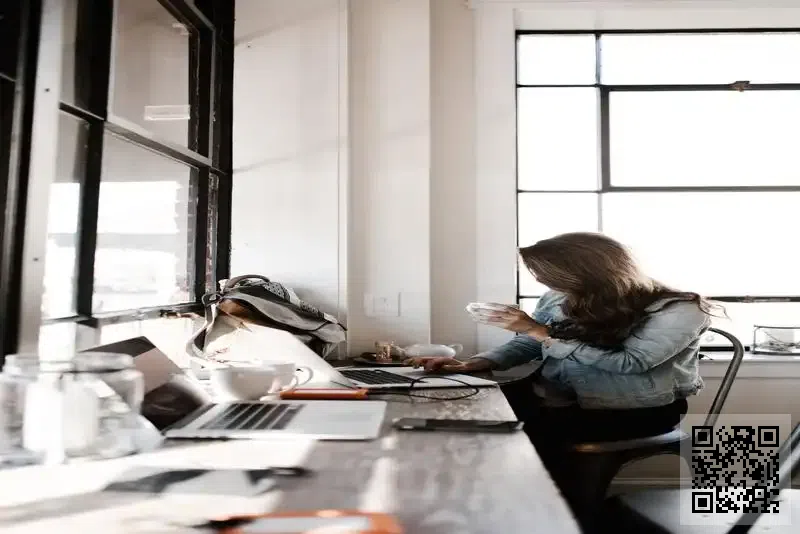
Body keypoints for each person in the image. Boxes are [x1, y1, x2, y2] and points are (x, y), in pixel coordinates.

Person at [405, 232, 716, 496]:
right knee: (459, 412)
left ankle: (555, 512)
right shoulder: (559, 297)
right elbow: (531, 342)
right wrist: (475, 363)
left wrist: (539, 331)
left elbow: (630, 363)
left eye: (547, 274)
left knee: (514, 441)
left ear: (586, 272)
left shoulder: (679, 310)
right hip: (554, 397)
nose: (541, 280)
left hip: (631, 409)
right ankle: (471, 504)